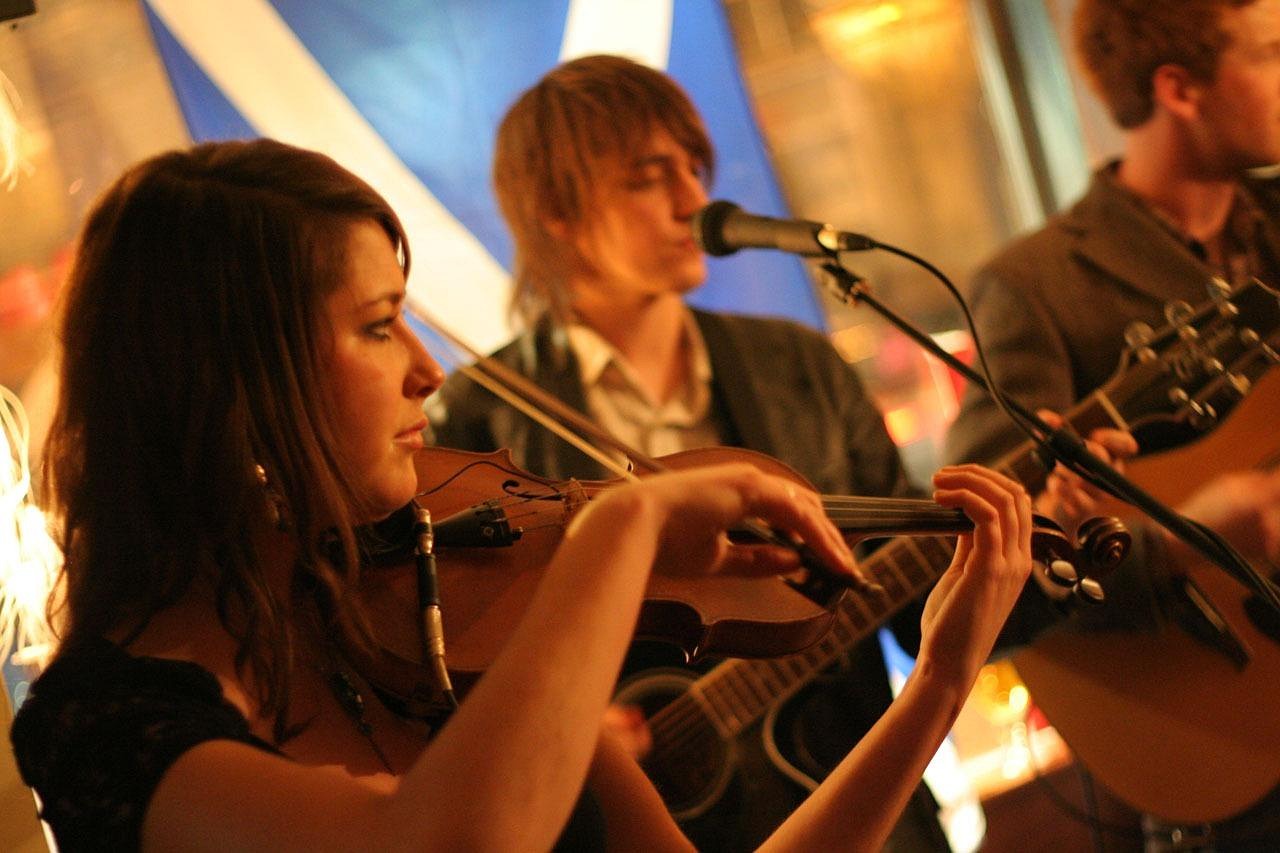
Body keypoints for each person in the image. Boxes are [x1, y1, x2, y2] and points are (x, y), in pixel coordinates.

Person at [8, 137, 1036, 852]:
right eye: (376, 326)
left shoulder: (427, 644)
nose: (427, 368)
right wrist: (620, 522)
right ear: (232, 379)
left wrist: (936, 684)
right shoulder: (108, 720)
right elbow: (443, 841)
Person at [426, 54, 1067, 851]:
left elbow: (908, 605)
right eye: (649, 176)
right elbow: (448, 659)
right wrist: (563, 726)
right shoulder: (479, 417)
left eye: (694, 169)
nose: (694, 199)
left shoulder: (798, 364)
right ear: (557, 209)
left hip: (866, 811)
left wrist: (1031, 545)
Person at [945, 0, 1280, 848]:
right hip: (1227, 733)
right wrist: (1192, 534)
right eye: (1271, 52)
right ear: (1180, 89)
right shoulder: (1039, 289)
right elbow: (988, 587)